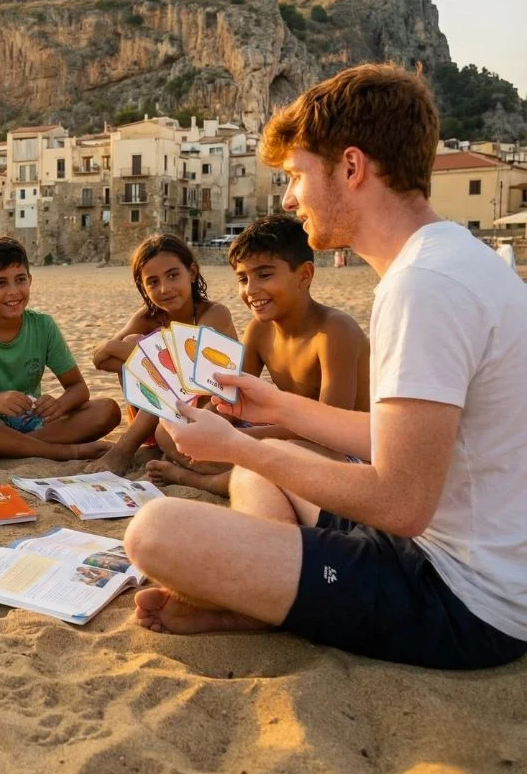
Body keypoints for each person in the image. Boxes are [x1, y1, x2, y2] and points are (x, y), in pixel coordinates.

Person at [123, 64, 527, 669]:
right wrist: (276, 407)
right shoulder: (454, 260)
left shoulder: (423, 285)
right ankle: (278, 590)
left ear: (351, 167)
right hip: (452, 554)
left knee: (154, 533)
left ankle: (272, 597)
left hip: (460, 598)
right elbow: (400, 441)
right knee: (257, 475)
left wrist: (237, 445)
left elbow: (401, 503)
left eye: (296, 175)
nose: (289, 199)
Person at [145, 215, 369, 494]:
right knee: (167, 432)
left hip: (339, 449)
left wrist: (237, 440)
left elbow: (331, 429)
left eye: (264, 275)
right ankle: (229, 473)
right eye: (243, 278)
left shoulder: (334, 331)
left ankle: (202, 480)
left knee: (285, 457)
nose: (251, 290)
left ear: (304, 275)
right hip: (281, 430)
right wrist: (206, 426)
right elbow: (229, 396)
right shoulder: (259, 330)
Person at [0, 235, 120, 462]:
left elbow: (78, 389)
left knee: (107, 410)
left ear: (30, 280)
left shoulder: (43, 325)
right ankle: (60, 451)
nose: (13, 291)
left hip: (30, 421)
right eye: (0, 283)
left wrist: (59, 405)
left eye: (20, 279)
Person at [85, 235, 235, 476]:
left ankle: (124, 450)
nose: (164, 289)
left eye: (173, 275)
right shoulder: (149, 317)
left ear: (192, 273)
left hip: (212, 413)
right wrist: (130, 354)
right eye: (153, 282)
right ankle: (152, 442)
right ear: (143, 287)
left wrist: (121, 350)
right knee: (134, 343)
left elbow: (186, 366)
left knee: (168, 368)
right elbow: (101, 358)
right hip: (161, 418)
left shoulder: (215, 313)